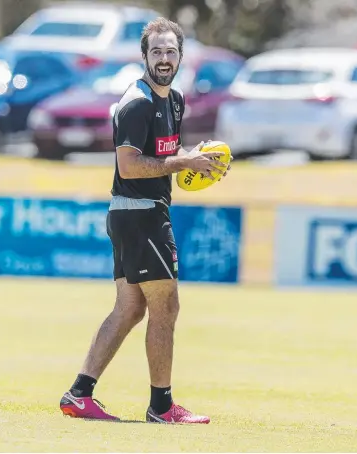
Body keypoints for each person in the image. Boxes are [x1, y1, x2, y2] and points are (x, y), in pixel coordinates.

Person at [59, 17, 230, 424]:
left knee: (131, 309)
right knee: (165, 306)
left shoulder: (174, 100)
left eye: (171, 51)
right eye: (157, 51)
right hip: (140, 215)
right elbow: (130, 166)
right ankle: (161, 406)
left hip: (140, 214)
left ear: (180, 55)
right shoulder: (136, 103)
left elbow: (166, 153)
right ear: (144, 56)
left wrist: (195, 161)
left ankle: (79, 394)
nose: (165, 58)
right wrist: (181, 162)